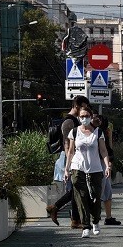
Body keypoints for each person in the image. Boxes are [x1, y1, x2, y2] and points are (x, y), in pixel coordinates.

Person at [64, 103, 111, 237]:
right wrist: (66, 169)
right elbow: (71, 151)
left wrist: (107, 166)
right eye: (82, 116)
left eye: (87, 116)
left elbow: (103, 150)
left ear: (91, 117)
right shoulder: (74, 132)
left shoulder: (98, 132)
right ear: (78, 117)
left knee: (95, 197)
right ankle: (86, 226)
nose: (84, 118)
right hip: (77, 168)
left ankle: (95, 220)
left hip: (95, 169)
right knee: (81, 197)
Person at [47, 96, 86, 228]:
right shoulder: (69, 122)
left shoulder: (74, 120)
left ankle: (56, 208)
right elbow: (67, 143)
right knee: (76, 189)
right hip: (70, 158)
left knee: (76, 189)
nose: (85, 110)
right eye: (83, 107)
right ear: (76, 106)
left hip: (73, 158)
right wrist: (70, 164)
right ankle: (75, 219)